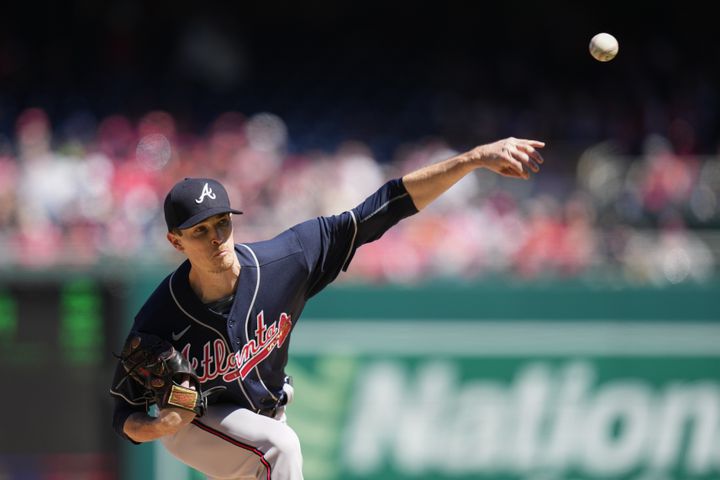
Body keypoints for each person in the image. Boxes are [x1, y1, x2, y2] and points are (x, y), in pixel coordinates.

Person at [110, 137, 545, 479]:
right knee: (279, 447)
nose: (215, 237)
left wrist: (472, 158)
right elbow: (124, 414)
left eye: (222, 222)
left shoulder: (286, 261)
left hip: (262, 413)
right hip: (193, 425)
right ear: (175, 241)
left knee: (271, 442)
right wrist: (158, 426)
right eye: (199, 230)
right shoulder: (159, 316)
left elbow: (385, 207)